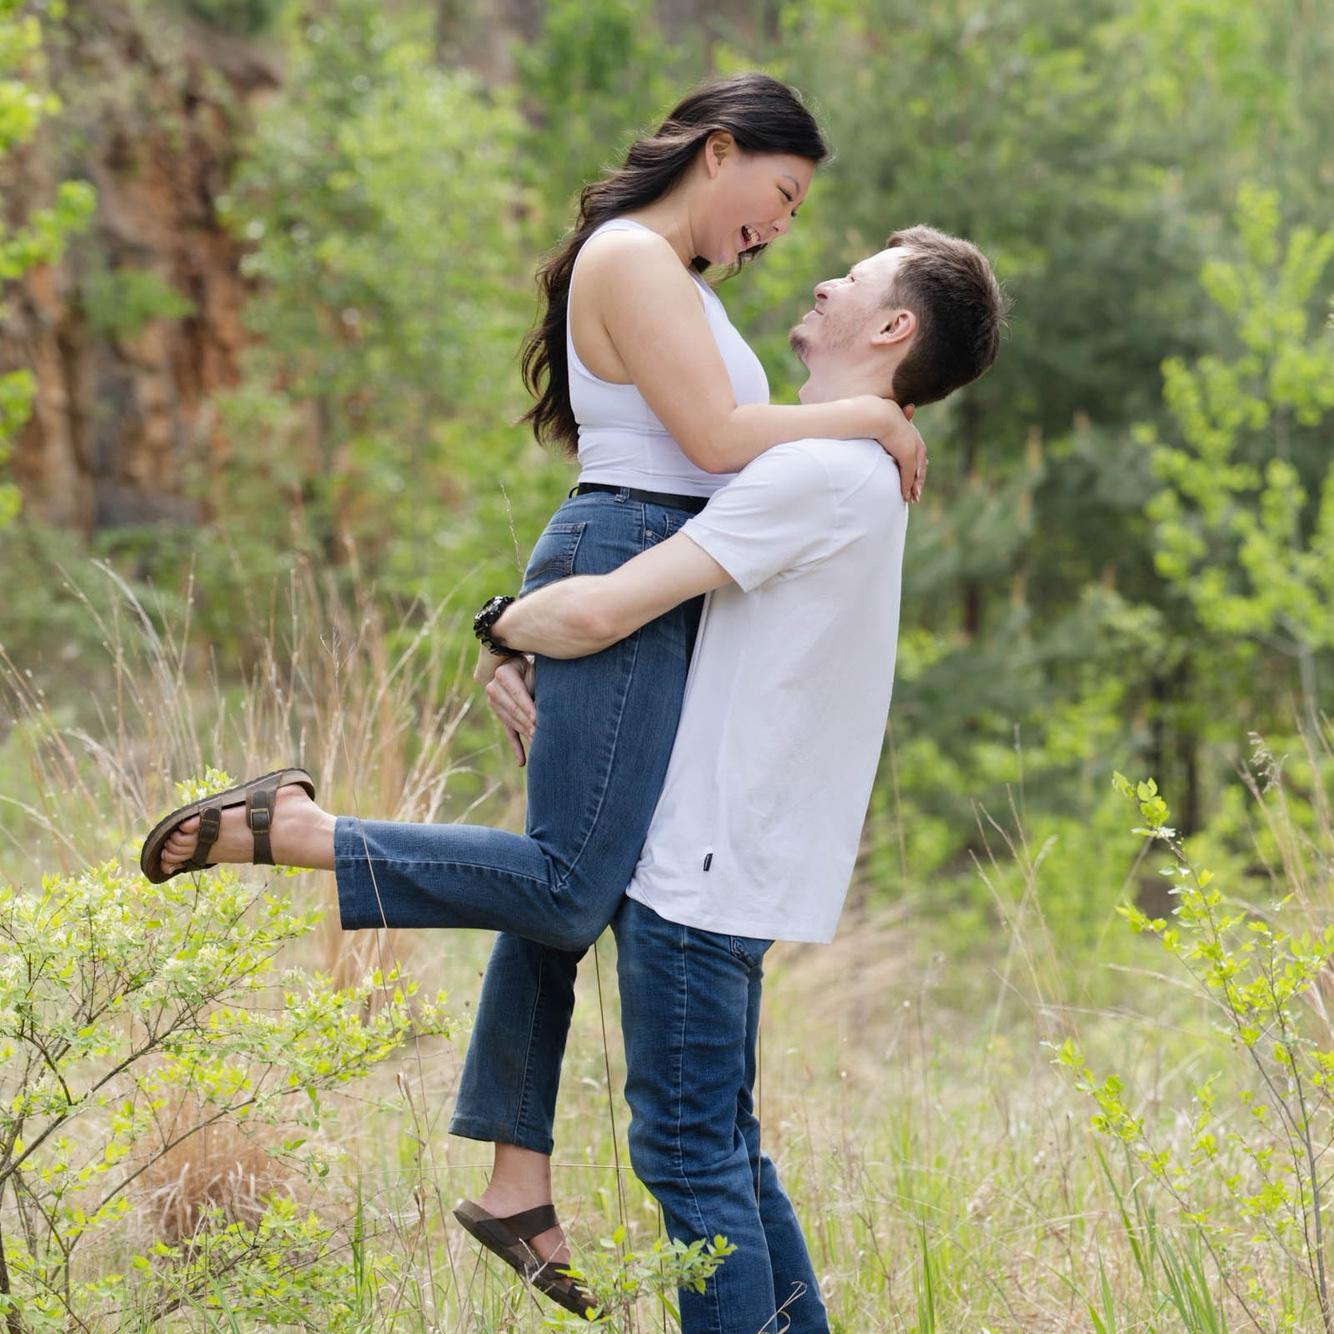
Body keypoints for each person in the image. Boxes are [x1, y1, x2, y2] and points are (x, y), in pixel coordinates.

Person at [139, 73, 927, 1315]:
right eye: (777, 194)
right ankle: (293, 831)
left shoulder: (671, 275)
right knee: (571, 881)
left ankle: (515, 1175)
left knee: (578, 877)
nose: (779, 230)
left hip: (640, 575)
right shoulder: (629, 254)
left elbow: (712, 446)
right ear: (717, 151)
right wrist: (872, 423)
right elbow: (716, 445)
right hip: (624, 563)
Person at [478, 225, 1006, 1331]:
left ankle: (297, 831)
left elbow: (612, 606)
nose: (822, 277)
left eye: (853, 279)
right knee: (721, 1146)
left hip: (703, 863)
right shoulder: (847, 457)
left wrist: (500, 623)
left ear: (892, 326)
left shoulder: (814, 470)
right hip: (741, 853)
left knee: (686, 1153)